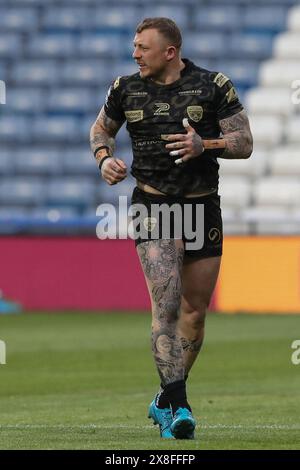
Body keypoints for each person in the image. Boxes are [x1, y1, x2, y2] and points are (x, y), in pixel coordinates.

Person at [90, 17, 253, 440]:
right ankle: (180, 406)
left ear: (170, 51)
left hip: (202, 207)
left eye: (143, 47)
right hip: (153, 205)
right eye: (134, 46)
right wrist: (105, 157)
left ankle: (163, 399)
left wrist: (206, 144)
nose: (135, 54)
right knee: (166, 308)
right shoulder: (124, 88)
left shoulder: (213, 85)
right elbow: (100, 129)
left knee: (195, 315)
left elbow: (244, 142)